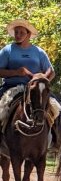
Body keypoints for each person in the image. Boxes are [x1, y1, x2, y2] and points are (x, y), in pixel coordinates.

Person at [0, 19, 55, 156]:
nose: (18, 35)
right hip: (12, 87)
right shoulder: (7, 50)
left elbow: (51, 71)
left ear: (29, 34)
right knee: (1, 108)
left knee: (56, 107)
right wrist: (15, 72)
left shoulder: (39, 52)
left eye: (21, 32)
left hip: (36, 89)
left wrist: (41, 81)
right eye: (16, 32)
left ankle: (56, 139)